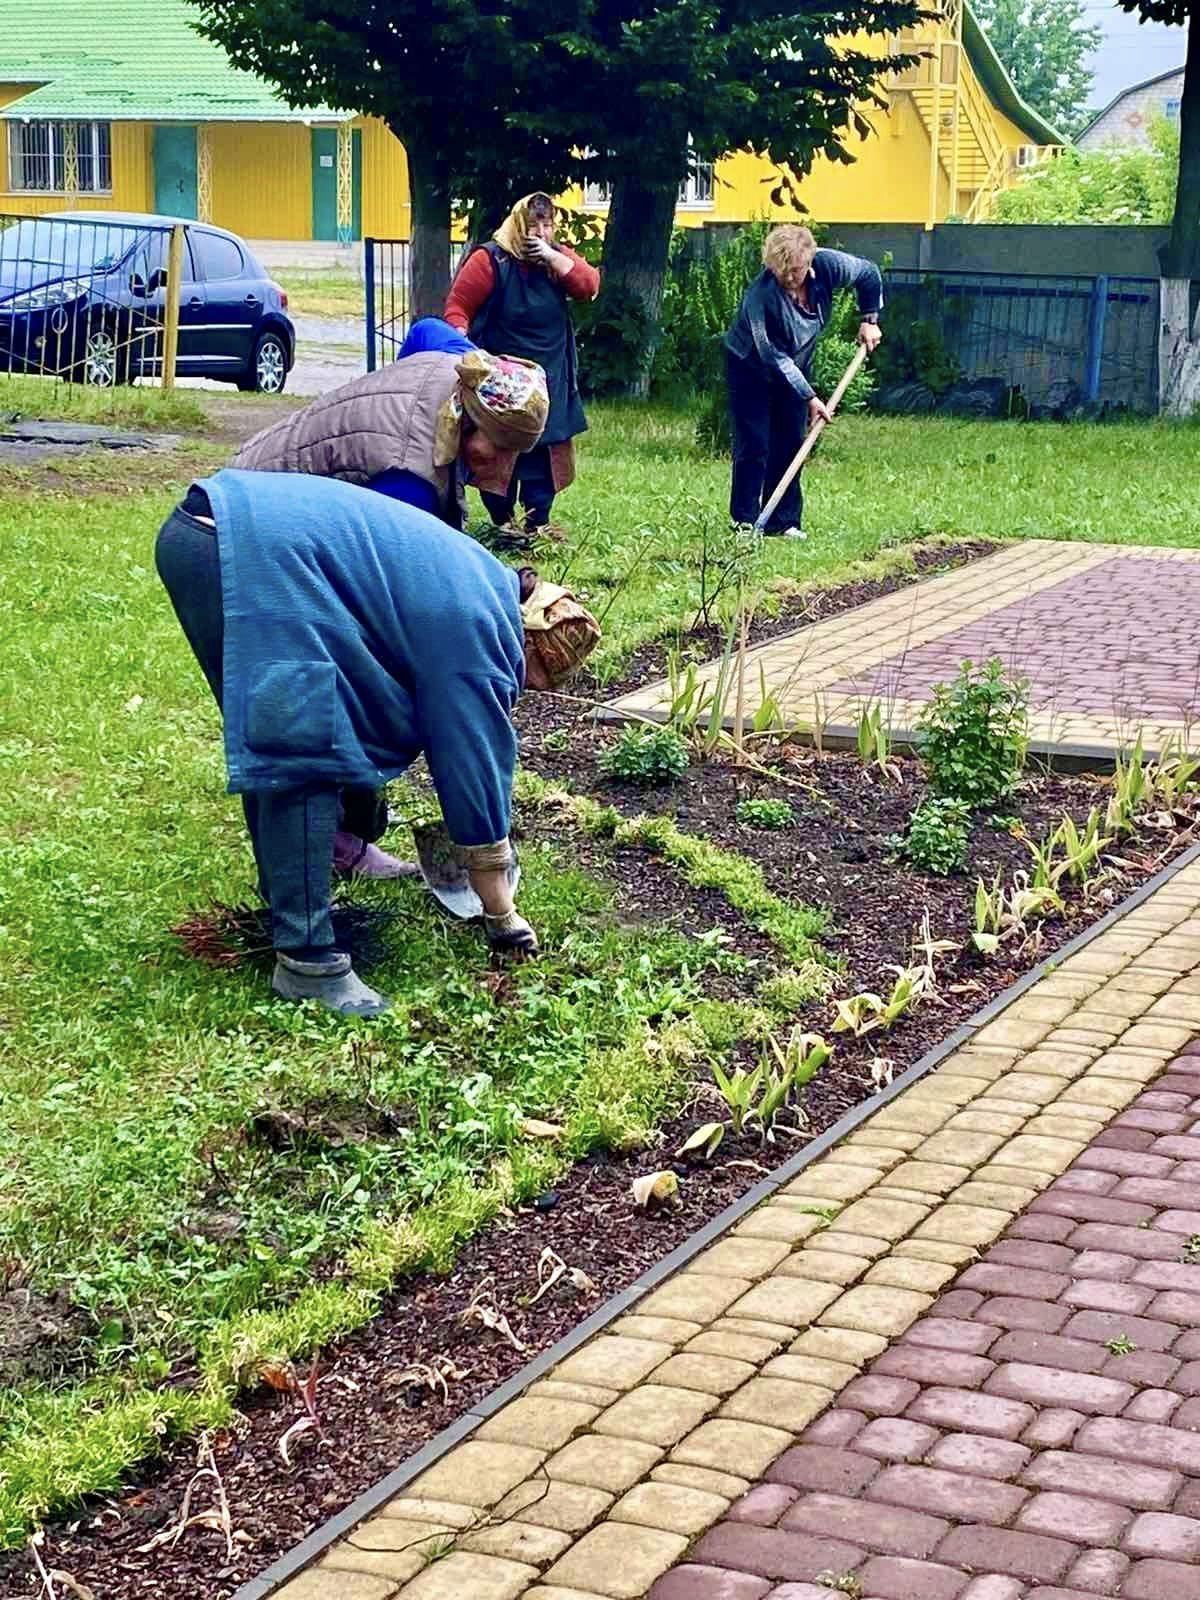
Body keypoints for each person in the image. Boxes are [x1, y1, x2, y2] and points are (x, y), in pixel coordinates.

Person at [155, 470, 600, 1018]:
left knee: (307, 731)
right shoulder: (485, 628)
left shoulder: (478, 579)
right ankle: (307, 964)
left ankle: (290, 904)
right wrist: (500, 909)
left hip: (217, 531)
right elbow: (473, 761)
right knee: (303, 746)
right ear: (527, 642)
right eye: (529, 678)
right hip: (247, 551)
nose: (518, 689)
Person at [230, 320, 550, 883]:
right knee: (348, 678)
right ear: (467, 420)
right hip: (256, 532)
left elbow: (426, 329)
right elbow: (400, 616)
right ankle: (337, 839)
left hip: (271, 487)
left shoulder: (462, 366)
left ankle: (352, 815)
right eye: (496, 449)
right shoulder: (407, 484)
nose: (502, 469)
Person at [445, 193, 600, 535]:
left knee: (544, 456)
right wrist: (462, 344)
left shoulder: (556, 259)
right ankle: (502, 521)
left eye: (547, 225)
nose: (542, 233)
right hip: (503, 378)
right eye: (534, 226)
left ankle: (537, 524)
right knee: (497, 451)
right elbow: (458, 307)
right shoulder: (491, 259)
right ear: (519, 226)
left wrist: (553, 258)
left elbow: (589, 286)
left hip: (551, 376)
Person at [724, 224, 884, 540]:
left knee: (790, 439)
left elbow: (869, 274)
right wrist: (810, 397)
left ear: (808, 260)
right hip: (750, 365)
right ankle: (744, 522)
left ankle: (783, 522)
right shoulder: (760, 298)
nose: (789, 278)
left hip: (796, 362)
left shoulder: (827, 265)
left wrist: (869, 320)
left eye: (795, 270)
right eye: (781, 271)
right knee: (754, 442)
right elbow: (771, 355)